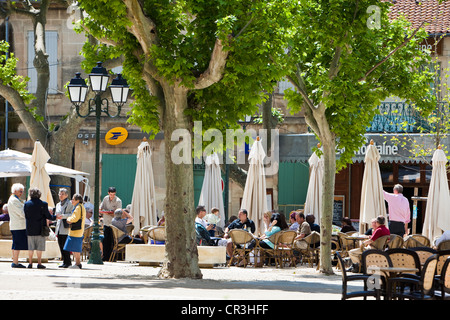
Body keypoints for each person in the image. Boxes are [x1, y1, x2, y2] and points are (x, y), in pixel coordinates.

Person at [24, 188, 56, 269]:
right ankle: (39, 263)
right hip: (40, 228)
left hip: (30, 228)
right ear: (39, 194)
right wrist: (55, 217)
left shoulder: (26, 204)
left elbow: (26, 215)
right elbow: (48, 216)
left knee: (30, 247)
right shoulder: (43, 204)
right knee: (39, 247)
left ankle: (30, 263)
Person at [63, 193, 86, 269]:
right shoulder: (80, 207)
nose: (71, 200)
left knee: (75, 248)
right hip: (77, 231)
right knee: (75, 248)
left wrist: (68, 219)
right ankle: (77, 263)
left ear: (77, 200)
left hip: (75, 232)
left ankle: (78, 263)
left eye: (73, 199)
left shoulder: (78, 208)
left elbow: (75, 218)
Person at [8, 183, 27, 268]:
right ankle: (15, 262)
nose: (21, 193)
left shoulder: (15, 199)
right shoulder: (14, 200)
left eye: (22, 191)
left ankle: (15, 261)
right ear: (15, 191)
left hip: (17, 225)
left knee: (15, 243)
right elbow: (22, 213)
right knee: (17, 244)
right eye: (20, 191)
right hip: (18, 226)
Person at [54, 188, 74, 268]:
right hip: (59, 227)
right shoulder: (58, 204)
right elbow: (56, 214)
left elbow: (72, 214)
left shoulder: (69, 203)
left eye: (62, 194)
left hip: (65, 227)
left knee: (65, 245)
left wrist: (63, 216)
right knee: (60, 245)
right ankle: (64, 261)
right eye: (60, 194)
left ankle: (68, 262)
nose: (61, 195)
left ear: (66, 195)